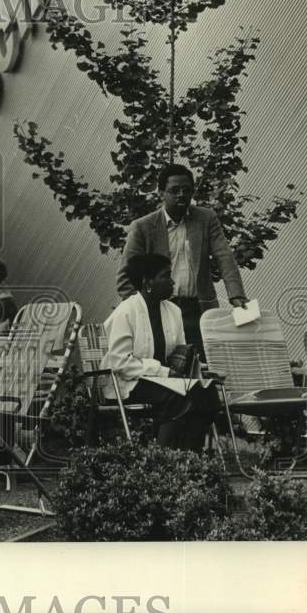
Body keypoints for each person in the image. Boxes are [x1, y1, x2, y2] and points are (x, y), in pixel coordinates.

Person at [117, 163, 247, 349]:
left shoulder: (206, 219)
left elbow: (224, 256)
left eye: (187, 190)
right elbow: (124, 279)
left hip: (199, 309)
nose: (181, 195)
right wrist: (144, 310)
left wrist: (236, 294)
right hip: (161, 310)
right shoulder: (143, 227)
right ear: (161, 193)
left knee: (204, 364)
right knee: (165, 367)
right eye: (174, 190)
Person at [104, 253, 220, 452]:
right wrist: (163, 372)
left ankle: (189, 455)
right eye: (165, 276)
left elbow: (181, 354)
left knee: (207, 393)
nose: (172, 282)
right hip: (128, 383)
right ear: (147, 282)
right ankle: (161, 457)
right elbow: (120, 362)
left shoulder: (173, 311)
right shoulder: (126, 312)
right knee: (176, 396)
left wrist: (197, 371)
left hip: (166, 382)